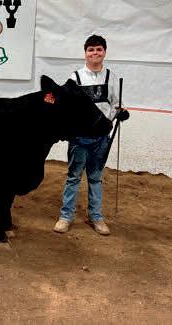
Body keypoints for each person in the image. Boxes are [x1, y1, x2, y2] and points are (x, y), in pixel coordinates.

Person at [53, 34, 129, 235]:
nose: (95, 53)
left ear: (104, 52)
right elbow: (66, 106)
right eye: (91, 49)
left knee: (95, 178)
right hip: (79, 138)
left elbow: (116, 103)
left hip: (101, 138)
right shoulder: (75, 78)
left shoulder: (111, 77)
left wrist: (120, 112)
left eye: (99, 49)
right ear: (85, 53)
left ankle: (96, 217)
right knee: (73, 177)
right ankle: (66, 216)